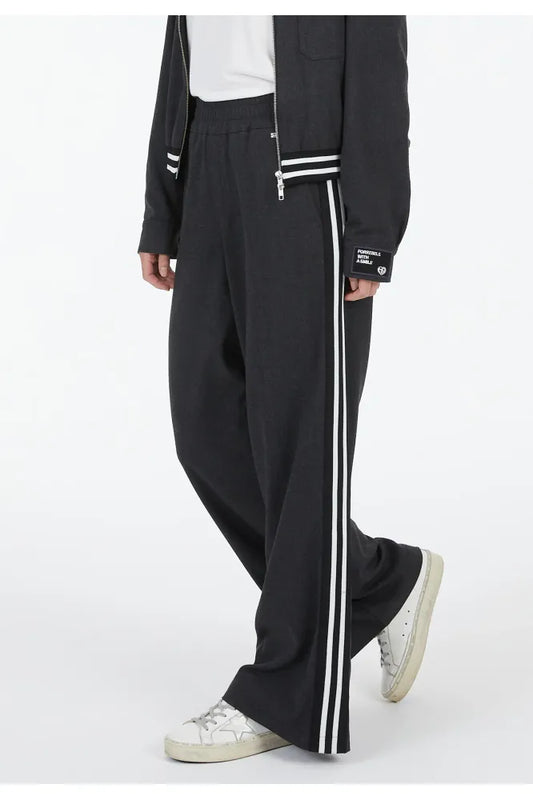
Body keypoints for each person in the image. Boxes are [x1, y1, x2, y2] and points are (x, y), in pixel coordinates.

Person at [138, 15, 443, 763]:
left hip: (303, 177)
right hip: (207, 159)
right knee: (205, 426)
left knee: (301, 444)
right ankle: (375, 578)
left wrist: (372, 232)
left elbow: (377, 76)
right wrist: (163, 205)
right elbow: (182, 54)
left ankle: (284, 690)